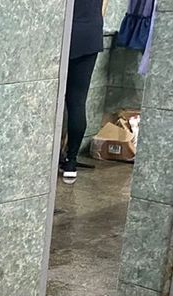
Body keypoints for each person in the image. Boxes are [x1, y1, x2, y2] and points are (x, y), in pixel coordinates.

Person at [61, 0, 105, 185]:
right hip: (91, 35)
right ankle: (71, 163)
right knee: (77, 101)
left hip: (67, 33)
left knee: (54, 100)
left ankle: (55, 157)